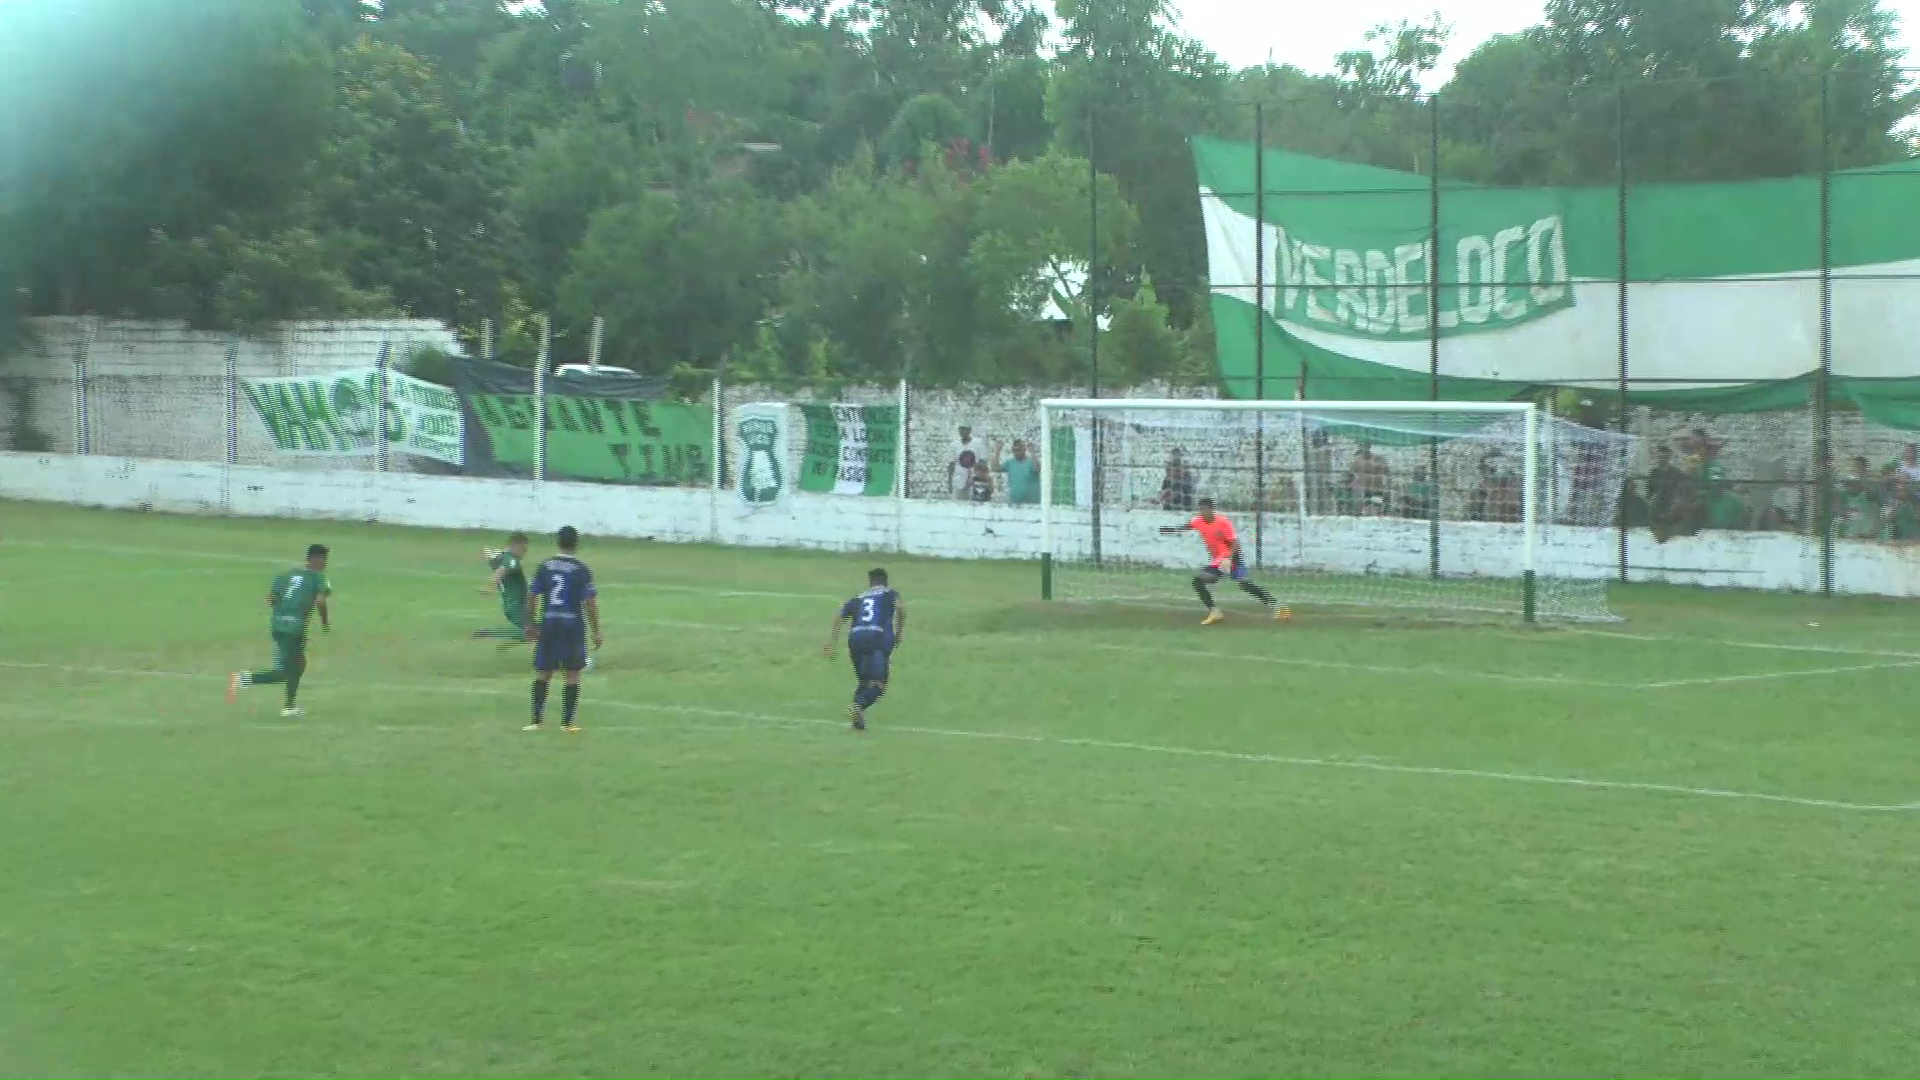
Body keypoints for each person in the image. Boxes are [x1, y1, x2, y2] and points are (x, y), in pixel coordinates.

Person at [228, 544, 331, 718]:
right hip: (294, 629)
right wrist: (325, 623)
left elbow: (270, 599)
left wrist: (284, 612)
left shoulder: (285, 575)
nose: (325, 564)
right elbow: (320, 601)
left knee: (298, 664)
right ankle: (243, 679)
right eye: (324, 560)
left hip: (279, 626)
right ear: (317, 559)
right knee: (284, 672)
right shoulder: (318, 578)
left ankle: (289, 707)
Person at [525, 526, 603, 733]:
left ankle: (536, 721)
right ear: (576, 543)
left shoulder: (545, 566)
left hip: (549, 622)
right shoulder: (580, 569)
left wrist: (530, 624)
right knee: (572, 674)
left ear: (558, 542)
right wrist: (596, 630)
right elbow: (590, 602)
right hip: (572, 624)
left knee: (543, 672)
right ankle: (567, 724)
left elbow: (532, 596)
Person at [1159, 498, 1283, 625]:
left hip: (1231, 557)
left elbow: (1235, 544)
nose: (1202, 512)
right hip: (1219, 560)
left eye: (1205, 509)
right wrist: (1171, 530)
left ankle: (1277, 606)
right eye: (1201, 509)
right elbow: (1187, 526)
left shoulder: (1222, 522)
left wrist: (1229, 559)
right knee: (1199, 581)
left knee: (1244, 585)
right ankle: (1214, 612)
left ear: (1212, 510)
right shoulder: (1198, 521)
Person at [823, 567, 906, 731]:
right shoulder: (889, 593)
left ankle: (857, 723)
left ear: (870, 582)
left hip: (855, 638)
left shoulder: (858, 598)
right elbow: (901, 608)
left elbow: (839, 615)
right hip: (876, 638)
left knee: (864, 682)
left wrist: (832, 641)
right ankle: (858, 706)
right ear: (886, 581)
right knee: (878, 684)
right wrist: (899, 631)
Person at [472, 532, 531, 646]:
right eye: (523, 549)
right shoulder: (513, 560)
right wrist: (489, 587)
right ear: (516, 546)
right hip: (517, 606)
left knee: (535, 630)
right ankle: (489, 633)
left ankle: (488, 633)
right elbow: (502, 571)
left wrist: (491, 553)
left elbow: (487, 551)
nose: (524, 553)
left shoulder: (502, 557)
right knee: (529, 633)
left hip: (509, 604)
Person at [993, 439, 1041, 505]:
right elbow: (995, 468)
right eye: (1015, 450)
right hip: (1015, 503)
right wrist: (997, 450)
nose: (1017, 452)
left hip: (1032, 503)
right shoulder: (1010, 462)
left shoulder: (1031, 461)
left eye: (1020, 450)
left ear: (1024, 449)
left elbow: (1038, 469)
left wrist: (1032, 452)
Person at [950, 426, 981, 498]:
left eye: (964, 429)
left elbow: (982, 462)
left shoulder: (977, 443)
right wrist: (949, 482)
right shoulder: (954, 445)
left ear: (969, 431)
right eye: (960, 429)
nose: (962, 432)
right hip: (958, 479)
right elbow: (952, 464)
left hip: (974, 479)